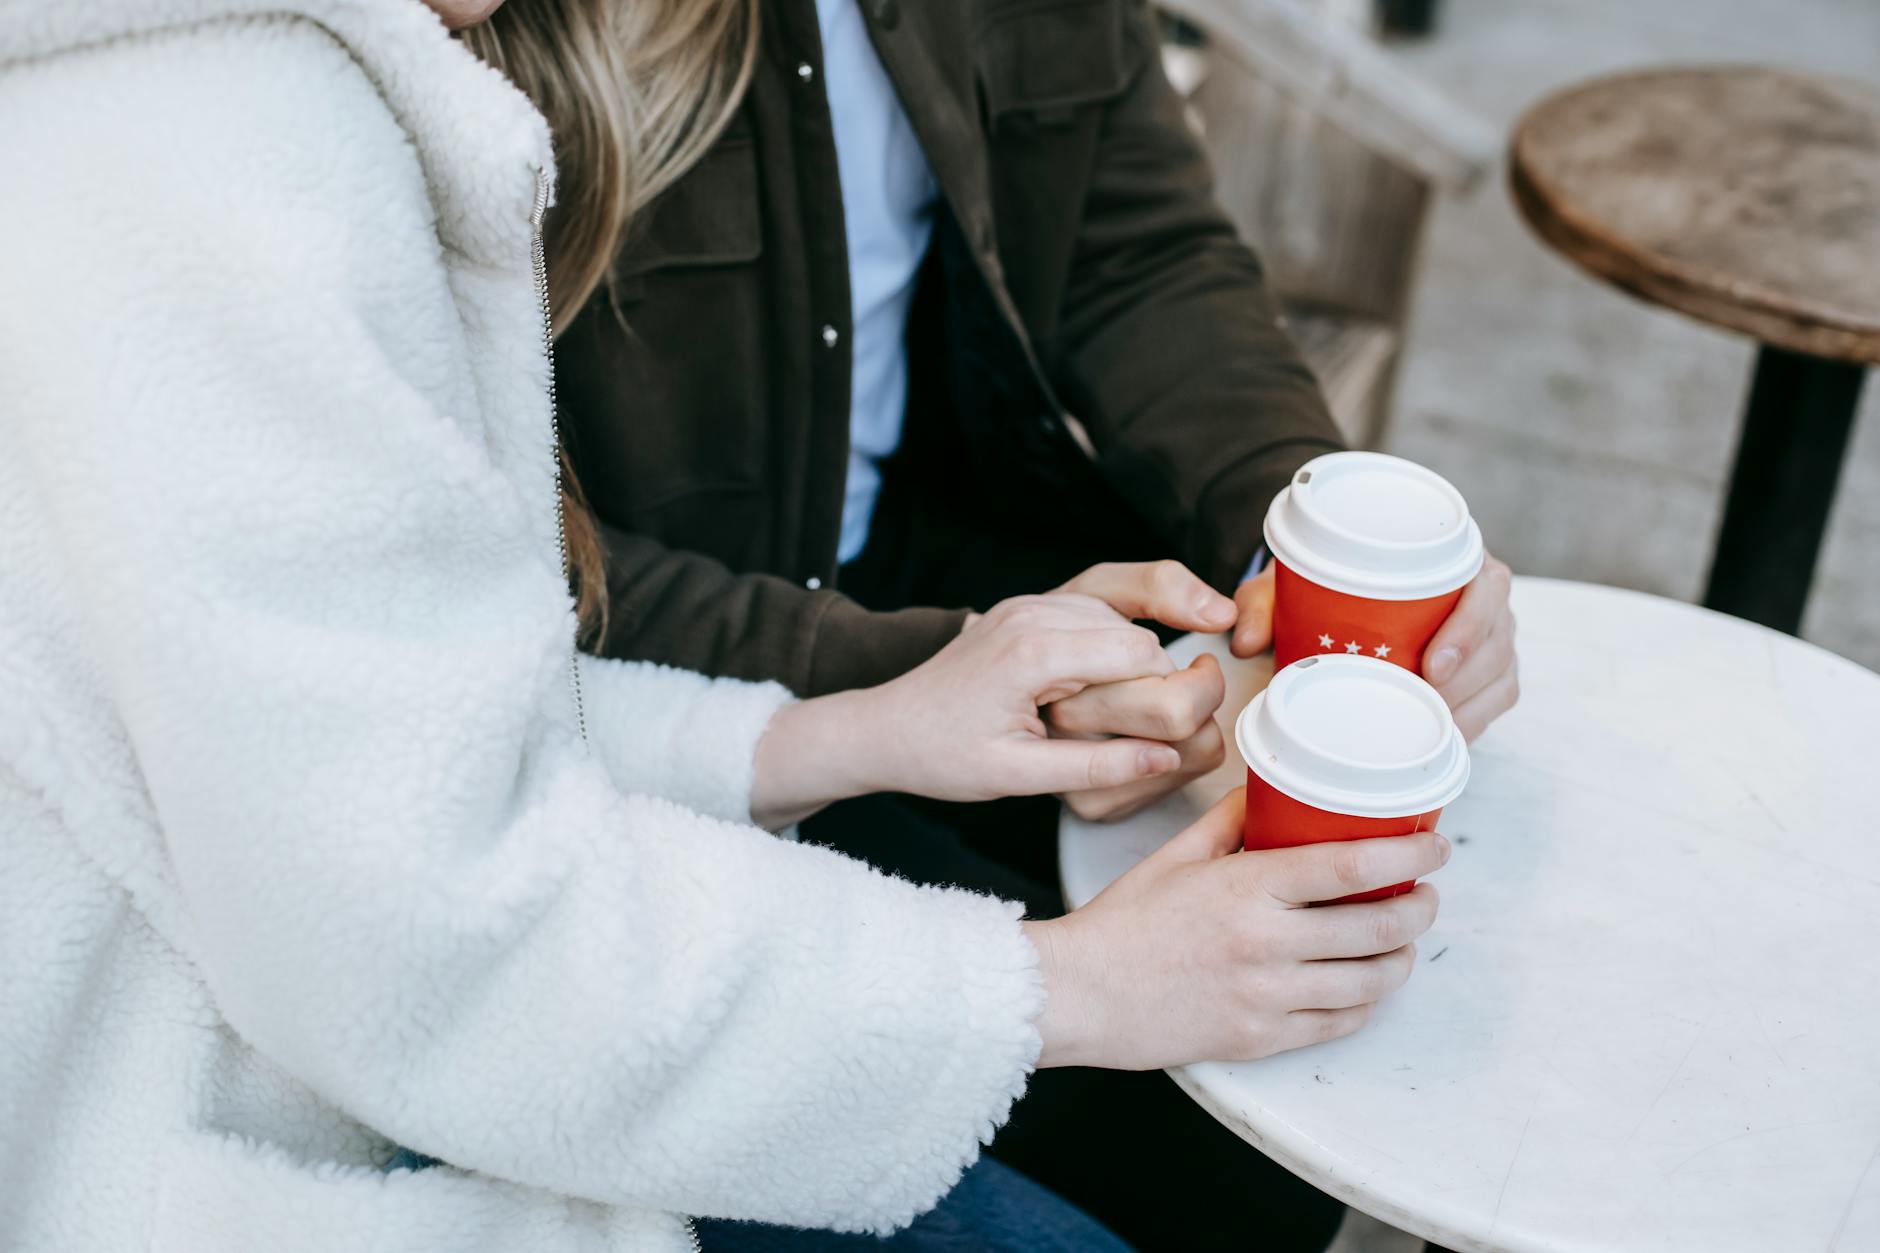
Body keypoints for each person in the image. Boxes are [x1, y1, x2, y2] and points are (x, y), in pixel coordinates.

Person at [0, 2, 1453, 1252]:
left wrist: (858, 728)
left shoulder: (294, 87)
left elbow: (438, 707)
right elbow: (454, 948)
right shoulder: (228, 168)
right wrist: (1059, 987)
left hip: (437, 965)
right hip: (253, 1153)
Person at [535, 0, 1521, 1243]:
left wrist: (1301, 520)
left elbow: (1137, 241)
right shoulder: (482, 39)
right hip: (668, 701)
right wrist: (945, 680)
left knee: (1303, 1028)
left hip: (948, 543)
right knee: (1195, 1138)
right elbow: (509, 562)